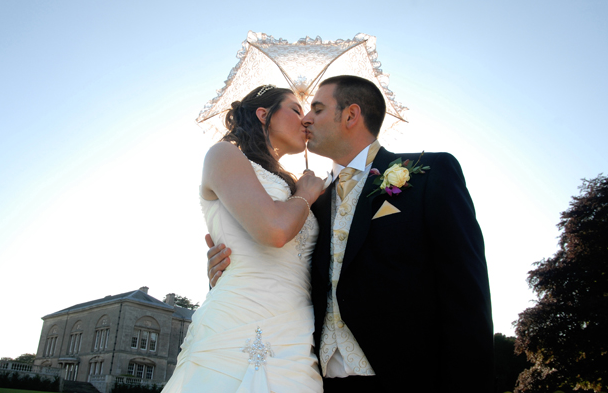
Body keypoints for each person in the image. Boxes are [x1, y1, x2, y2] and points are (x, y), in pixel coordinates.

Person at [207, 76, 495, 392]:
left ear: (350, 115)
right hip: (314, 379)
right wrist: (224, 266)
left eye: (316, 109)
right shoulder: (308, 204)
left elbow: (466, 293)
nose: (306, 119)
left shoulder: (431, 174)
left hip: (408, 377)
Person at [163, 85, 326, 393]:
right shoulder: (224, 154)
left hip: (296, 332)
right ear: (263, 114)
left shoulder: (295, 185)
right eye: (295, 109)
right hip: (237, 320)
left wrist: (304, 192)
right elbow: (274, 230)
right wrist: (305, 195)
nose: (305, 119)